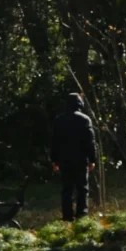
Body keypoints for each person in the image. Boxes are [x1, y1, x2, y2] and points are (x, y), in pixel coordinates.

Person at [50, 92, 97, 221]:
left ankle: (67, 217)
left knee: (67, 190)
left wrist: (54, 160)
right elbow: (90, 142)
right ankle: (82, 216)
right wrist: (92, 159)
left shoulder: (59, 120)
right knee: (82, 188)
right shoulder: (85, 119)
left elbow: (54, 141)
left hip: (64, 160)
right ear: (80, 104)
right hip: (81, 160)